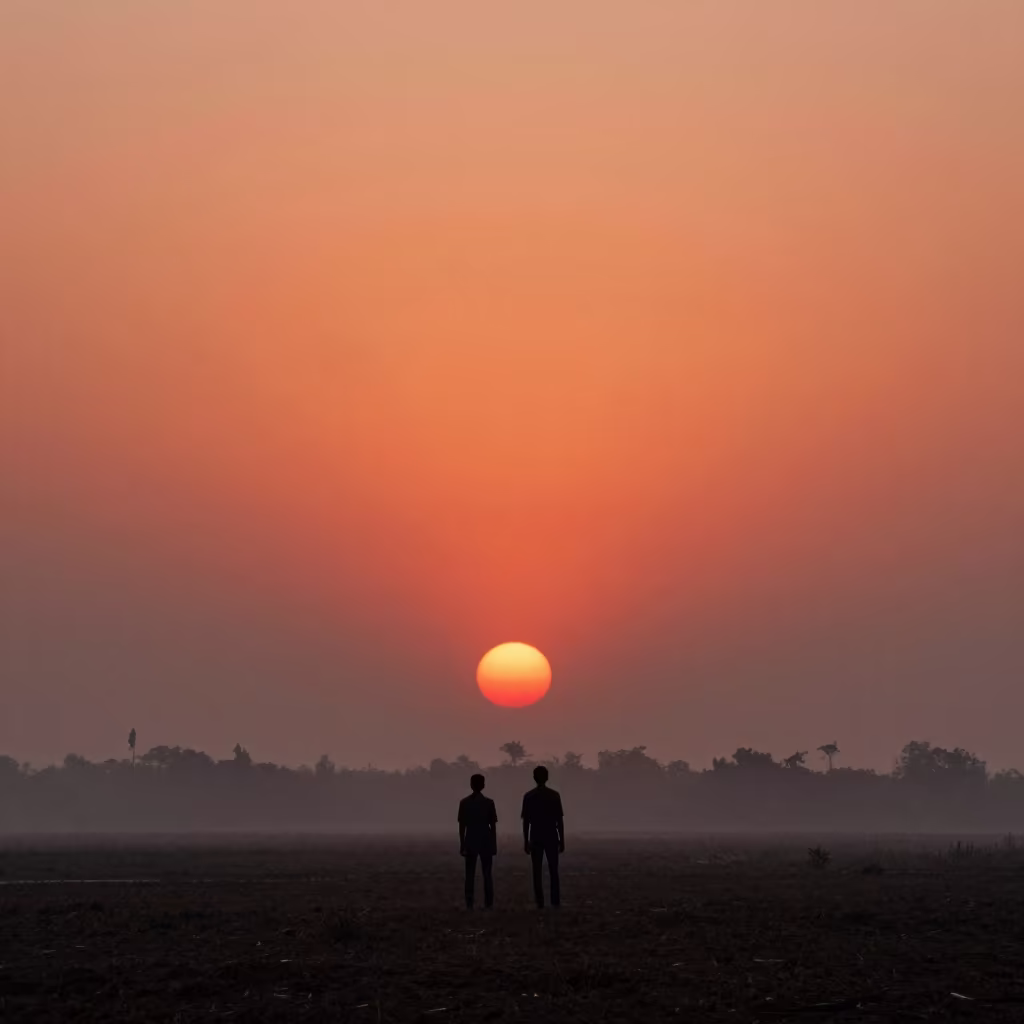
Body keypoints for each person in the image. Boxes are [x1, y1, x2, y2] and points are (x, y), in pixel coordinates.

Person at [521, 765, 564, 908]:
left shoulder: (529, 796)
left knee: (537, 871)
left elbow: (526, 821)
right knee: (553, 870)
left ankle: (540, 901)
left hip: (536, 835)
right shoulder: (554, 795)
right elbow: (559, 820)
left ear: (534, 778)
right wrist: (562, 839)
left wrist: (526, 841)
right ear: (547, 777)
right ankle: (555, 901)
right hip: (551, 835)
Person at [458, 773, 497, 909]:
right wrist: (493, 844)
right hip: (485, 839)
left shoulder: (464, 803)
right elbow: (493, 826)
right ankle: (488, 902)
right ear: (483, 785)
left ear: (471, 785)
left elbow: (462, 826)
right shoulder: (489, 803)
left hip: (471, 839)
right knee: (487, 874)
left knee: (469, 874)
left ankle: (469, 902)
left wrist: (462, 843)